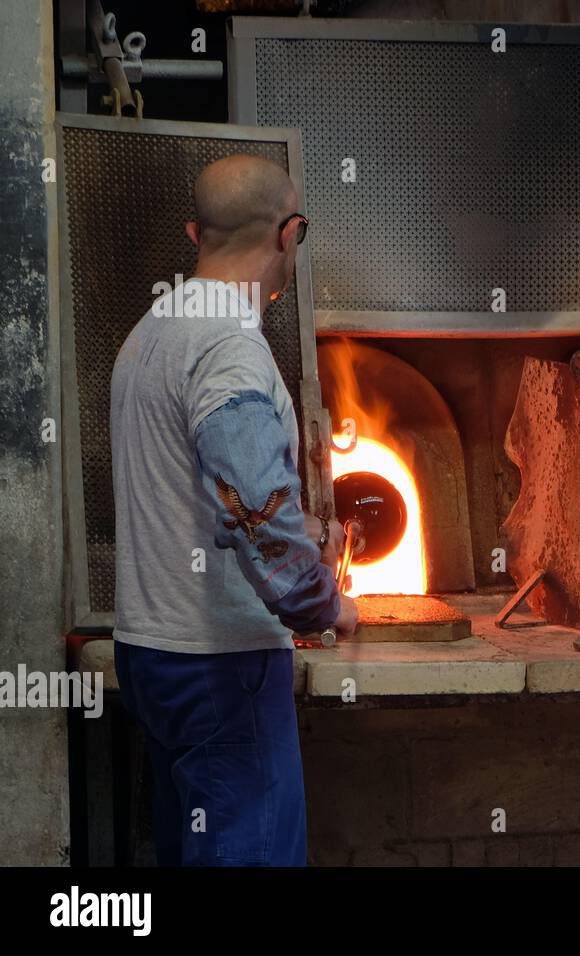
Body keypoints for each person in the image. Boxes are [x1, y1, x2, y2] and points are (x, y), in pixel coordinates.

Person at [109, 154, 357, 866]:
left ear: (196, 233)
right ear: (290, 233)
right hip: (220, 666)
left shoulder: (150, 332)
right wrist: (321, 602)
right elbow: (255, 505)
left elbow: (202, 490)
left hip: (152, 652)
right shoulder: (228, 347)